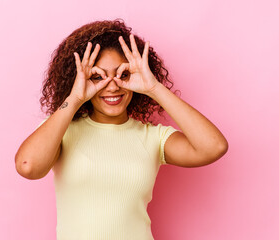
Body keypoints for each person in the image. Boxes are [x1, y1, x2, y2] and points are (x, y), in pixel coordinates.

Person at [15, 19, 228, 240]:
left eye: (123, 75)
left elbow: (214, 146)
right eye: (98, 77)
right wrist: (75, 98)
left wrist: (154, 88)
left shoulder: (152, 137)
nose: (113, 85)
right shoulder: (61, 130)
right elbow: (28, 166)